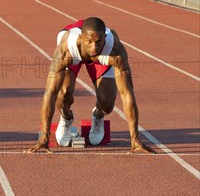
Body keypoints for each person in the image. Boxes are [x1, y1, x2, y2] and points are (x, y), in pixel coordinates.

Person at [28, 17, 155, 154]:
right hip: (75, 55)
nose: (94, 47)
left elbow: (127, 93)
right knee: (63, 93)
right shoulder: (65, 52)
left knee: (107, 103)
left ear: (105, 38)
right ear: (82, 38)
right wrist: (43, 137)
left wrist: (135, 137)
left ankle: (98, 115)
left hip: (104, 58)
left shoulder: (115, 51)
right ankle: (66, 117)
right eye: (89, 42)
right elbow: (50, 93)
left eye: (98, 42)